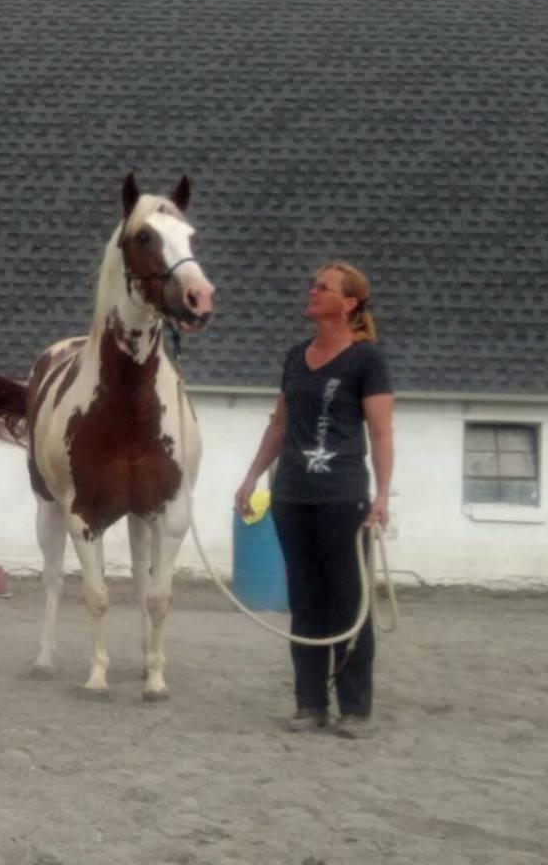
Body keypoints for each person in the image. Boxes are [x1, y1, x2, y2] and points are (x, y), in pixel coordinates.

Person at [234, 260, 394, 737]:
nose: (312, 292)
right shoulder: (294, 357)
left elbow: (381, 432)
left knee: (347, 600)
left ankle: (355, 708)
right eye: (313, 286)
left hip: (342, 497)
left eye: (323, 288)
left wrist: (382, 495)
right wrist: (251, 477)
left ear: (349, 302)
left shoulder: (366, 360)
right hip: (292, 497)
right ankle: (309, 704)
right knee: (305, 601)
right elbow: (279, 425)